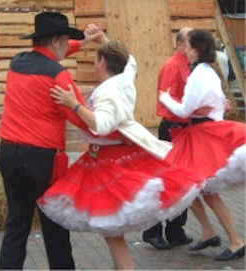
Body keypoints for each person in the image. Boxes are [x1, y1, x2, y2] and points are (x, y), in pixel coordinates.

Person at [37, 36, 207, 270]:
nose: (94, 65)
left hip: (109, 163)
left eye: (96, 60)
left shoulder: (108, 91)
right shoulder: (124, 80)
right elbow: (132, 62)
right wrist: (104, 40)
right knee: (111, 230)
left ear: (104, 62)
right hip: (118, 157)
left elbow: (102, 125)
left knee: (111, 227)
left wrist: (73, 104)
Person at [0, 11, 101, 270]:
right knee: (55, 225)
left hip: (9, 153)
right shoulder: (58, 76)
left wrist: (84, 41)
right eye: (66, 40)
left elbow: (53, 56)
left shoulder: (18, 62)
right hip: (42, 160)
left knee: (17, 225)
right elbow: (79, 118)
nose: (68, 45)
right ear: (56, 41)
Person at [160, 29, 245, 261]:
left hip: (202, 136)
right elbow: (215, 106)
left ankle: (236, 241)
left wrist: (164, 97)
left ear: (196, 49)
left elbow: (184, 110)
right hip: (202, 134)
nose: (184, 50)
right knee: (194, 188)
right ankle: (210, 232)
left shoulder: (199, 74)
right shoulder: (208, 72)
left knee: (198, 188)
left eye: (187, 46)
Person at [142, 27, 195, 250]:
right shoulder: (173, 66)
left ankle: (175, 230)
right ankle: (152, 231)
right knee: (167, 181)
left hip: (185, 129)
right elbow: (166, 101)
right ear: (181, 44)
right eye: (194, 42)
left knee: (182, 181)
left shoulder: (190, 66)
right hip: (173, 128)